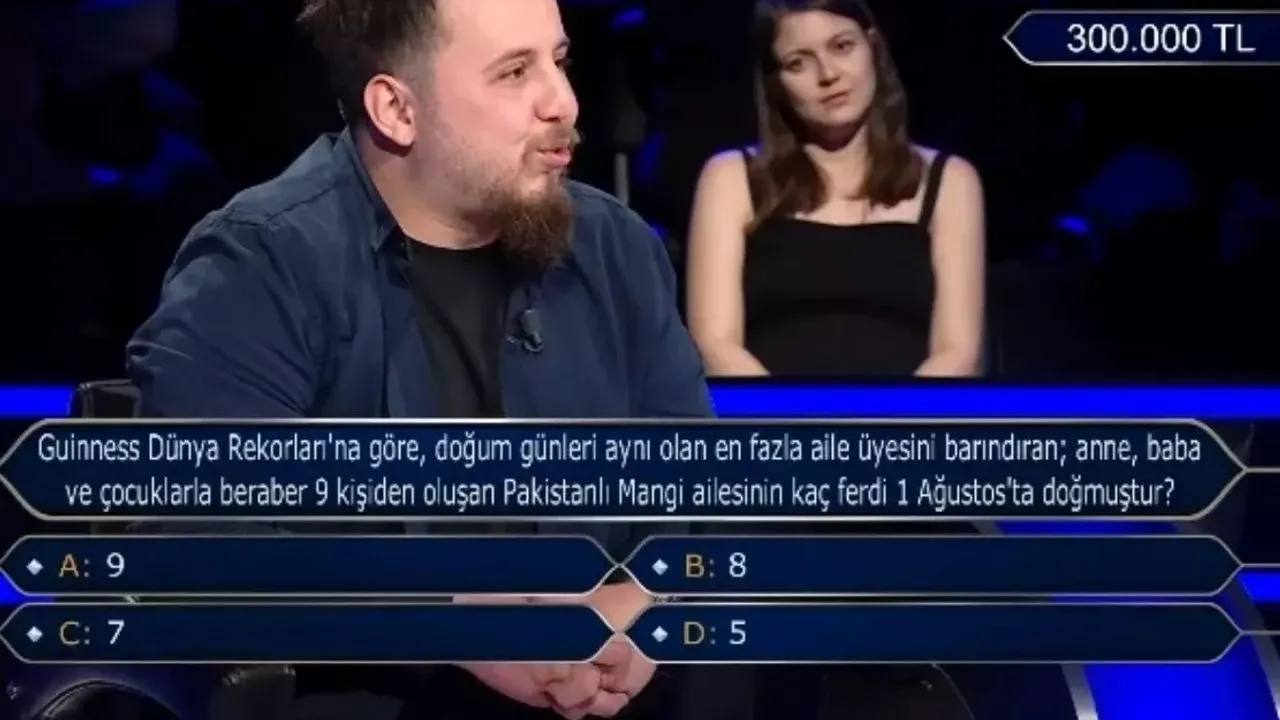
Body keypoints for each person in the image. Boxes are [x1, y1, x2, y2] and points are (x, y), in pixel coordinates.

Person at [125, 0, 710, 718]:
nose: (563, 102)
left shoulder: (615, 249)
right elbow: (200, 548)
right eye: (514, 73)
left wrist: (645, 602)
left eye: (558, 61)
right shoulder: (262, 264)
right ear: (397, 110)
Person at [684, 0, 985, 378]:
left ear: (872, 47)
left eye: (842, 47)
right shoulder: (731, 177)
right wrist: (795, 416)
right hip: (767, 414)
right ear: (775, 82)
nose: (828, 74)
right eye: (798, 62)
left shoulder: (951, 180)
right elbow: (715, 344)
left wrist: (890, 418)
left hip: (911, 414)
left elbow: (957, 353)